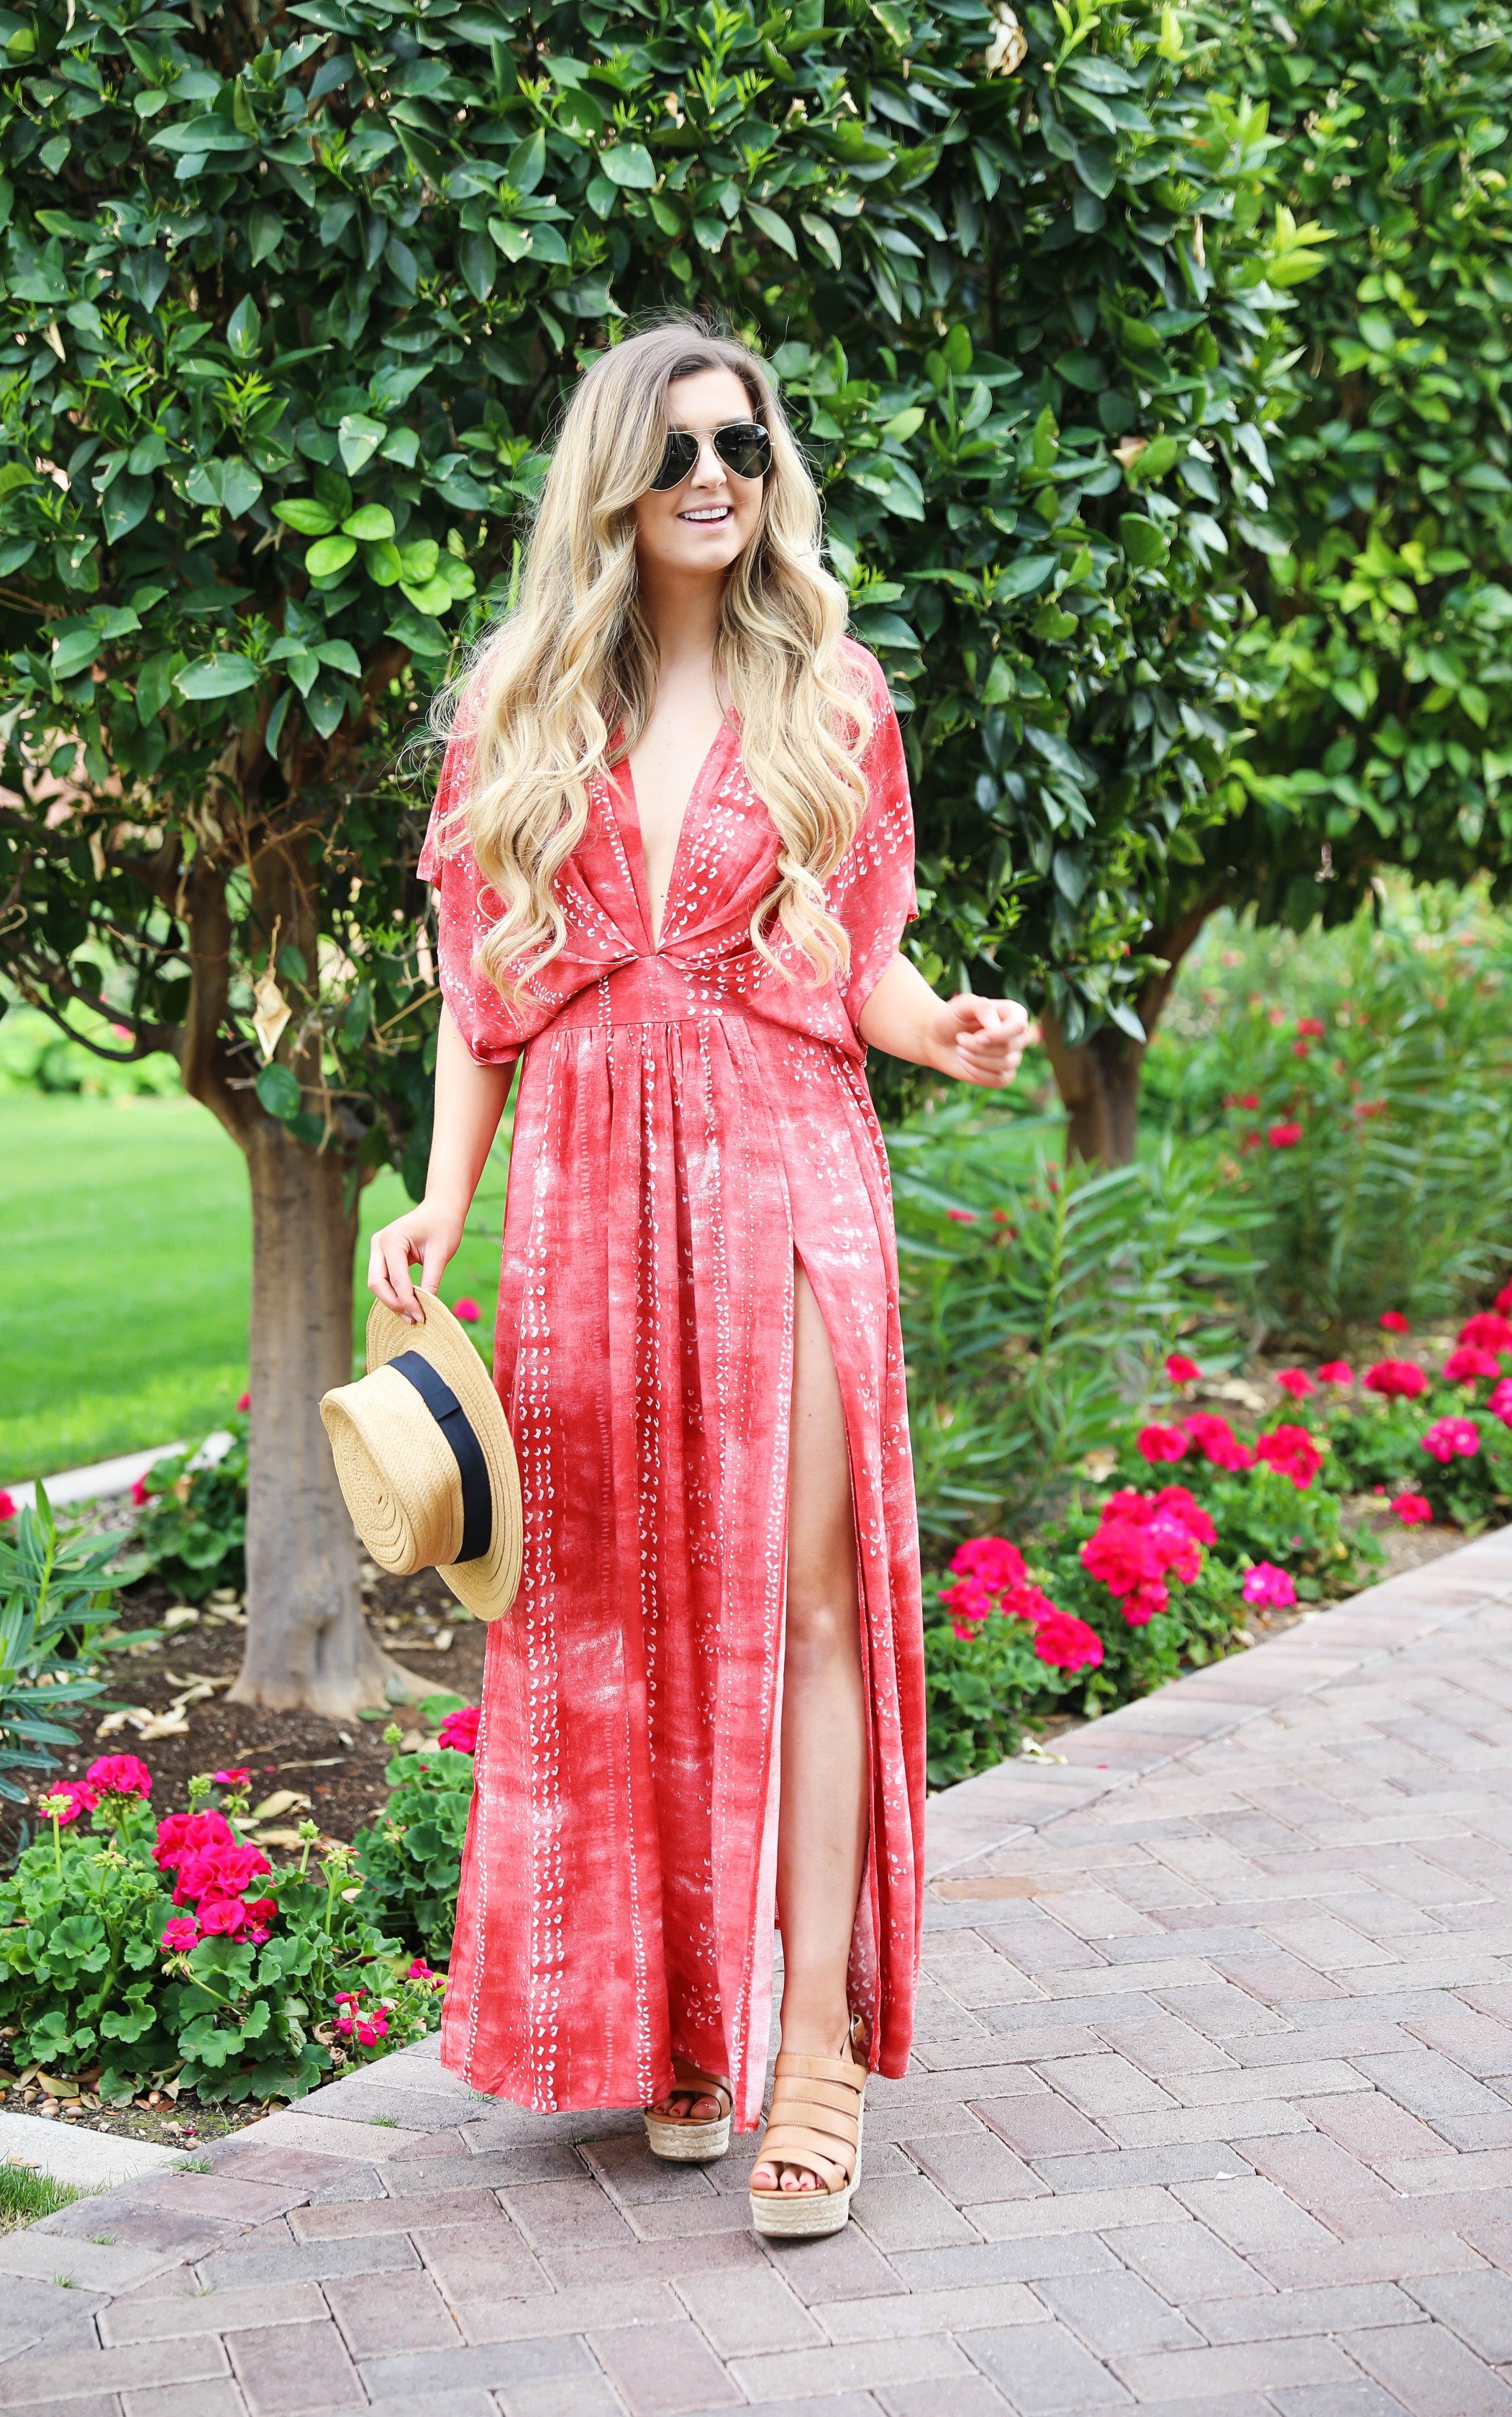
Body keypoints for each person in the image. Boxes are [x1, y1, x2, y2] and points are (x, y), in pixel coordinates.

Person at [367, 317, 1029, 2236]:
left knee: (814, 1608)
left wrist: (949, 1035)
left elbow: (870, 957)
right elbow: (479, 1000)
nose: (716, 477)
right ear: (615, 484)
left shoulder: (833, 692)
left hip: (788, 1172)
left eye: (741, 443)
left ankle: (811, 2049)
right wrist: (435, 1201)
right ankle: (679, 2026)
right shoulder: (520, 706)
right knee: (620, 1602)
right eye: (675, 454)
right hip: (583, 1192)